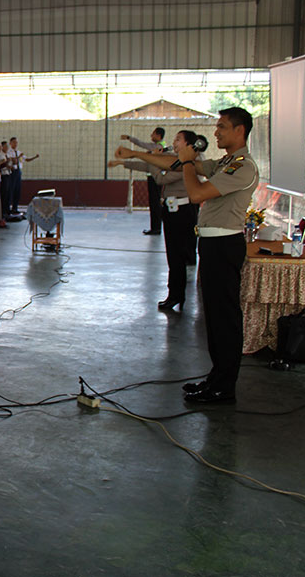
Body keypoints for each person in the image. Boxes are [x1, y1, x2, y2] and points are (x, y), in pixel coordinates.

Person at [116, 108, 258, 404]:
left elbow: (196, 193)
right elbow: (174, 163)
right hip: (212, 243)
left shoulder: (243, 167)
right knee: (214, 318)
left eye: (222, 127)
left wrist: (189, 161)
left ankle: (224, 387)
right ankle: (216, 378)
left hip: (225, 245)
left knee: (225, 318)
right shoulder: (225, 162)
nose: (216, 132)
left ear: (240, 130)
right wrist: (136, 154)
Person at [112, 129, 202, 312]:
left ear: (188, 144)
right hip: (171, 210)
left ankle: (176, 295)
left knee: (177, 256)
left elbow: (161, 178)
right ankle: (175, 294)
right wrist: (124, 163)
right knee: (173, 255)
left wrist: (153, 158)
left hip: (182, 211)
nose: (174, 142)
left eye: (178, 139)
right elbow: (148, 166)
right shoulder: (173, 158)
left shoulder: (188, 164)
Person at [121, 128, 166, 235]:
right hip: (154, 177)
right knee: (154, 203)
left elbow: (142, 144)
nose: (151, 135)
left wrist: (129, 138)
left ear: (158, 135)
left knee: (155, 203)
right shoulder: (158, 147)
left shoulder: (158, 147)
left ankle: (156, 228)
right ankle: (155, 227)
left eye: (153, 134)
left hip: (155, 177)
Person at [4, 137, 39, 216]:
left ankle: (15, 208)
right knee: (11, 190)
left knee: (17, 190)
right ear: (10, 143)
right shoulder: (9, 152)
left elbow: (26, 159)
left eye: (16, 142)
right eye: (14, 142)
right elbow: (12, 161)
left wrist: (35, 157)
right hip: (12, 172)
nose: (15, 144)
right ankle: (8, 208)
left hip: (18, 172)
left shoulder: (19, 152)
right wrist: (18, 157)